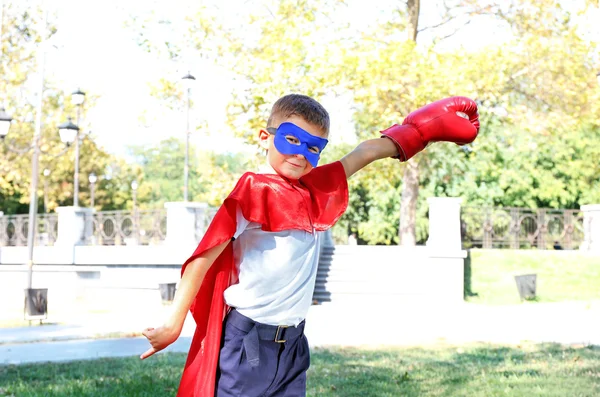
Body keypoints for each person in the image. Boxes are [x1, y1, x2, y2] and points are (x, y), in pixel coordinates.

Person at [140, 94, 480, 397]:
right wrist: (174, 322)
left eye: (313, 147)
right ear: (266, 137)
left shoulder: (315, 188)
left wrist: (422, 131)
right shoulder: (254, 188)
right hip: (248, 342)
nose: (301, 155)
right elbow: (203, 257)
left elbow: (363, 153)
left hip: (293, 343)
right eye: (292, 140)